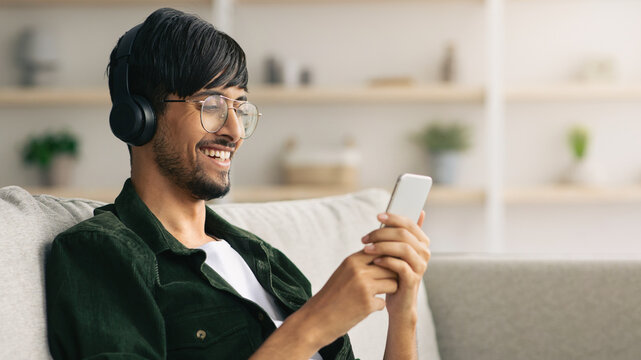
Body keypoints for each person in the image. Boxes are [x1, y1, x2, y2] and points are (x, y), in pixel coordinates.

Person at [45, 8, 431, 360]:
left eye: (240, 108)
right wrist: (314, 325)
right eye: (211, 105)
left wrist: (404, 312)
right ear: (139, 117)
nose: (234, 131)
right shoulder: (102, 251)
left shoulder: (265, 260)